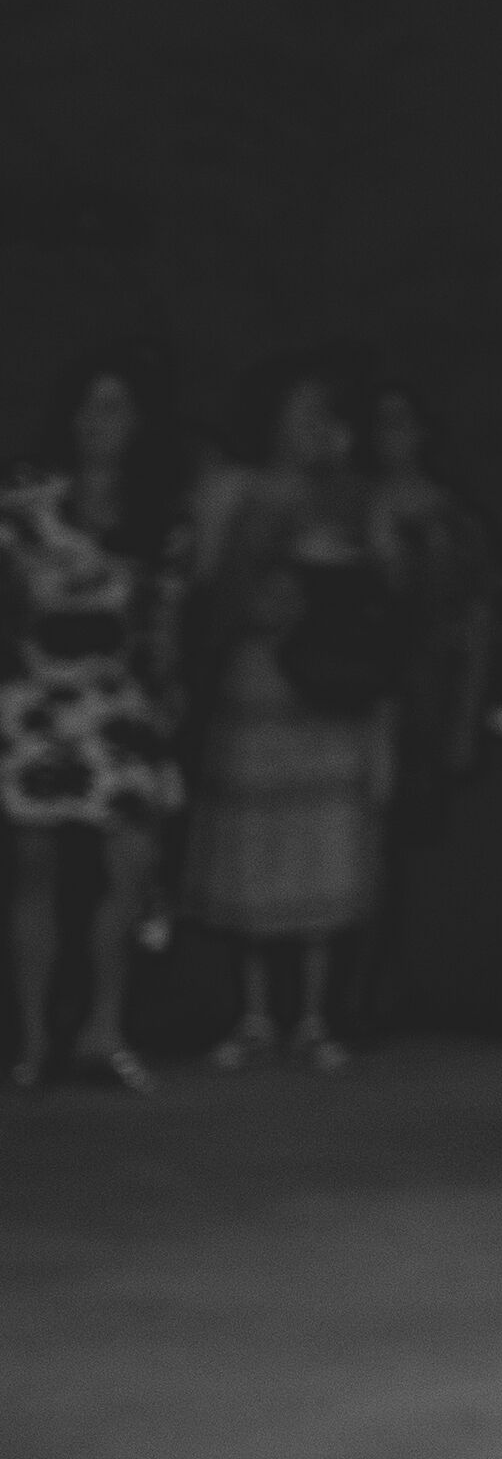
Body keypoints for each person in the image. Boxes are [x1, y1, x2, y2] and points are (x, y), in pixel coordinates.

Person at [183, 358, 411, 1070]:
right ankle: (252, 1014)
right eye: (298, 410)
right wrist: (266, 541)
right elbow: (207, 584)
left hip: (331, 686)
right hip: (258, 678)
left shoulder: (355, 495)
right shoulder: (235, 489)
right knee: (254, 843)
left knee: (322, 842)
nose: (308, 424)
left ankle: (313, 1014)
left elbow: (393, 587)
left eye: (323, 411)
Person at [5, 357, 188, 1093]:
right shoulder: (26, 502)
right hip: (38, 697)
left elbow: (167, 621)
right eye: (87, 406)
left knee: (130, 867)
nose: (98, 421)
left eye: (114, 407)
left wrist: (171, 699)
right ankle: (30, 1039)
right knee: (34, 868)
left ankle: (103, 1030)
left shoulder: (156, 515)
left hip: (118, 700)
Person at [367, 384, 502, 818]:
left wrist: (466, 721)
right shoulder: (351, 508)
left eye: (398, 423)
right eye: (378, 424)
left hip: (429, 697)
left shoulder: (452, 522)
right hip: (362, 695)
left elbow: (479, 621)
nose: (387, 436)